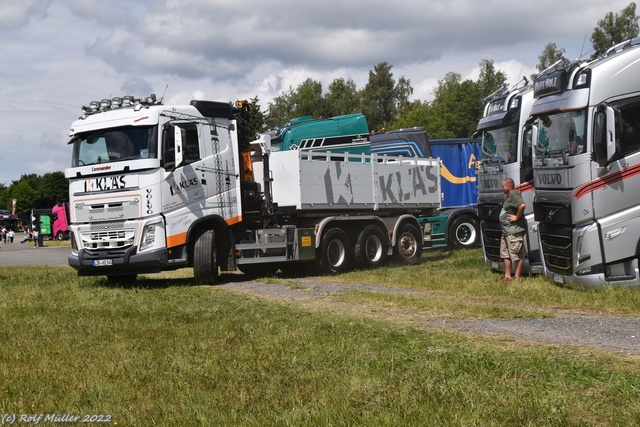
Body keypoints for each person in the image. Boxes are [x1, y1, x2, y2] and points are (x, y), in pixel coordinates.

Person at [499, 178, 527, 282]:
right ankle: (507, 276)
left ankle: (517, 278)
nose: (502, 188)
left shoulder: (514, 195)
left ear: (508, 186)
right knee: (505, 254)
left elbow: (522, 205)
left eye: (503, 186)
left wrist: (516, 217)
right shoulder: (509, 197)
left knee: (516, 255)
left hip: (514, 232)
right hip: (506, 231)